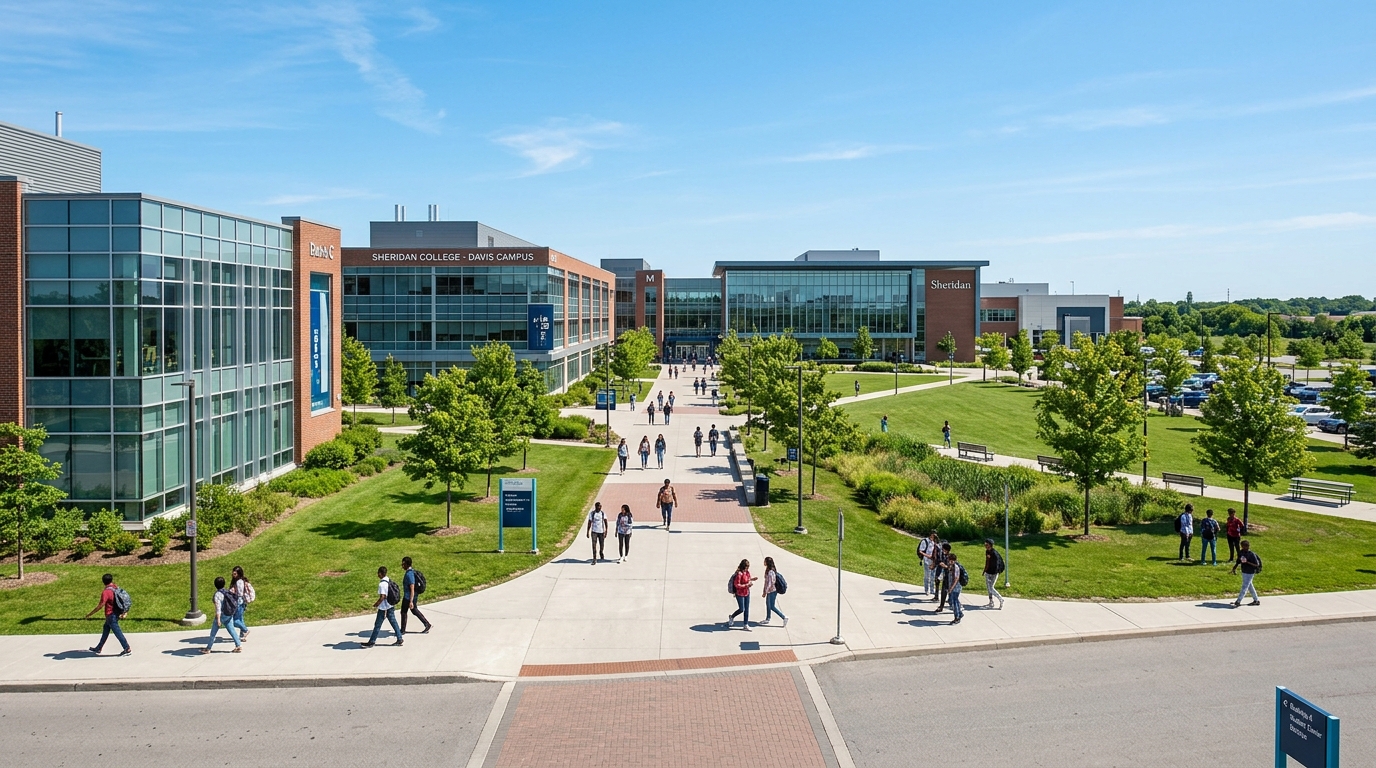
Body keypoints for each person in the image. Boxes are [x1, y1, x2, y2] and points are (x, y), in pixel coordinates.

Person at [85, 573, 131, 656]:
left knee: (117, 632)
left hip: (111, 615)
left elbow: (101, 605)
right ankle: (99, 647)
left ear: (103, 582)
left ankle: (127, 648)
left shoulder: (106, 592)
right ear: (111, 580)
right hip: (116, 613)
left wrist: (90, 614)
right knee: (106, 628)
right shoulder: (115, 587)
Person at [363, 566, 402, 647]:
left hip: (384, 608)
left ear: (380, 573)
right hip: (390, 605)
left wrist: (376, 604)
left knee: (377, 625)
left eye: (378, 573)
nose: (378, 575)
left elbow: (382, 597)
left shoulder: (382, 584)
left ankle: (372, 642)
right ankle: (399, 638)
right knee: (393, 622)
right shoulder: (388, 580)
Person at [201, 575, 242, 654]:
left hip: (222, 615)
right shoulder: (227, 592)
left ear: (215, 585)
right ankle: (238, 645)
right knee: (232, 630)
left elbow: (218, 608)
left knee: (213, 633)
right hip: (229, 614)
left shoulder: (217, 595)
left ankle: (208, 648)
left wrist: (218, 619)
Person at [400, 556, 432, 634]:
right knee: (413, 610)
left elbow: (412, 588)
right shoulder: (411, 572)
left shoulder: (409, 574)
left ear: (407, 564)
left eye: (403, 564)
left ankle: (403, 630)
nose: (402, 566)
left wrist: (411, 601)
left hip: (409, 597)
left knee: (404, 612)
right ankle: (426, 624)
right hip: (411, 596)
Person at [725, 559, 758, 630]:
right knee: (741, 609)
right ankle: (732, 617)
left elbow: (747, 579)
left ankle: (745, 624)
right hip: (739, 593)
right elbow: (737, 585)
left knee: (747, 609)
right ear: (743, 566)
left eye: (748, 567)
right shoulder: (739, 574)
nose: (747, 569)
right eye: (746, 567)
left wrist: (752, 579)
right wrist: (746, 585)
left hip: (747, 593)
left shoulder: (747, 572)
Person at [1231, 540, 1262, 607]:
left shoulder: (1251, 554)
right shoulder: (1241, 552)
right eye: (1242, 546)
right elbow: (1238, 561)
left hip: (1250, 572)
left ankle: (1238, 601)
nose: (1243, 547)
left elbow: (1256, 564)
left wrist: (1247, 562)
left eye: (1245, 546)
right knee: (1250, 586)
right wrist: (1234, 568)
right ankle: (1256, 600)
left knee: (1245, 586)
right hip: (1244, 571)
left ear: (1248, 546)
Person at [760, 556, 788, 627]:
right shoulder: (768, 570)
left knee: (772, 606)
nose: (764, 562)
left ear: (767, 562)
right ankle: (768, 618)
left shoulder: (771, 572)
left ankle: (784, 617)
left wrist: (765, 592)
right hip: (770, 591)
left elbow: (770, 583)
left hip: (772, 591)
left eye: (765, 561)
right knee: (768, 604)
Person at [230, 565, 253, 640]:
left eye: (235, 573)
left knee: (235, 621)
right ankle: (242, 635)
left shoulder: (239, 582)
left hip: (239, 602)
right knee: (240, 619)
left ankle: (245, 630)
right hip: (241, 602)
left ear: (239, 574)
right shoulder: (239, 581)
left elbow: (239, 593)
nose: (233, 575)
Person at [982, 539, 1004, 609]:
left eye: (987, 544)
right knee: (989, 588)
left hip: (994, 573)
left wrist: (995, 572)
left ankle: (1001, 599)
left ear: (990, 545)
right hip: (988, 572)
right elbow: (987, 561)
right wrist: (985, 570)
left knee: (991, 588)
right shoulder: (987, 552)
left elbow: (997, 564)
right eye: (985, 544)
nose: (985, 546)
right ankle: (991, 602)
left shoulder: (994, 554)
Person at [946, 552, 966, 625]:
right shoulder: (951, 566)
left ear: (954, 560)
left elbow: (956, 579)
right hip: (952, 587)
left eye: (951, 560)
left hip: (956, 588)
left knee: (954, 602)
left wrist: (951, 588)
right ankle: (960, 613)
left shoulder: (956, 567)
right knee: (953, 601)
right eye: (949, 560)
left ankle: (957, 618)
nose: (950, 562)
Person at [935, 542, 952, 611]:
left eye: (944, 550)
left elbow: (952, 567)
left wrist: (945, 566)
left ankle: (956, 606)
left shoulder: (950, 557)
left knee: (952, 593)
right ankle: (941, 606)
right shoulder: (945, 556)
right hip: (945, 576)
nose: (942, 551)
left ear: (947, 550)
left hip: (951, 577)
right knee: (943, 591)